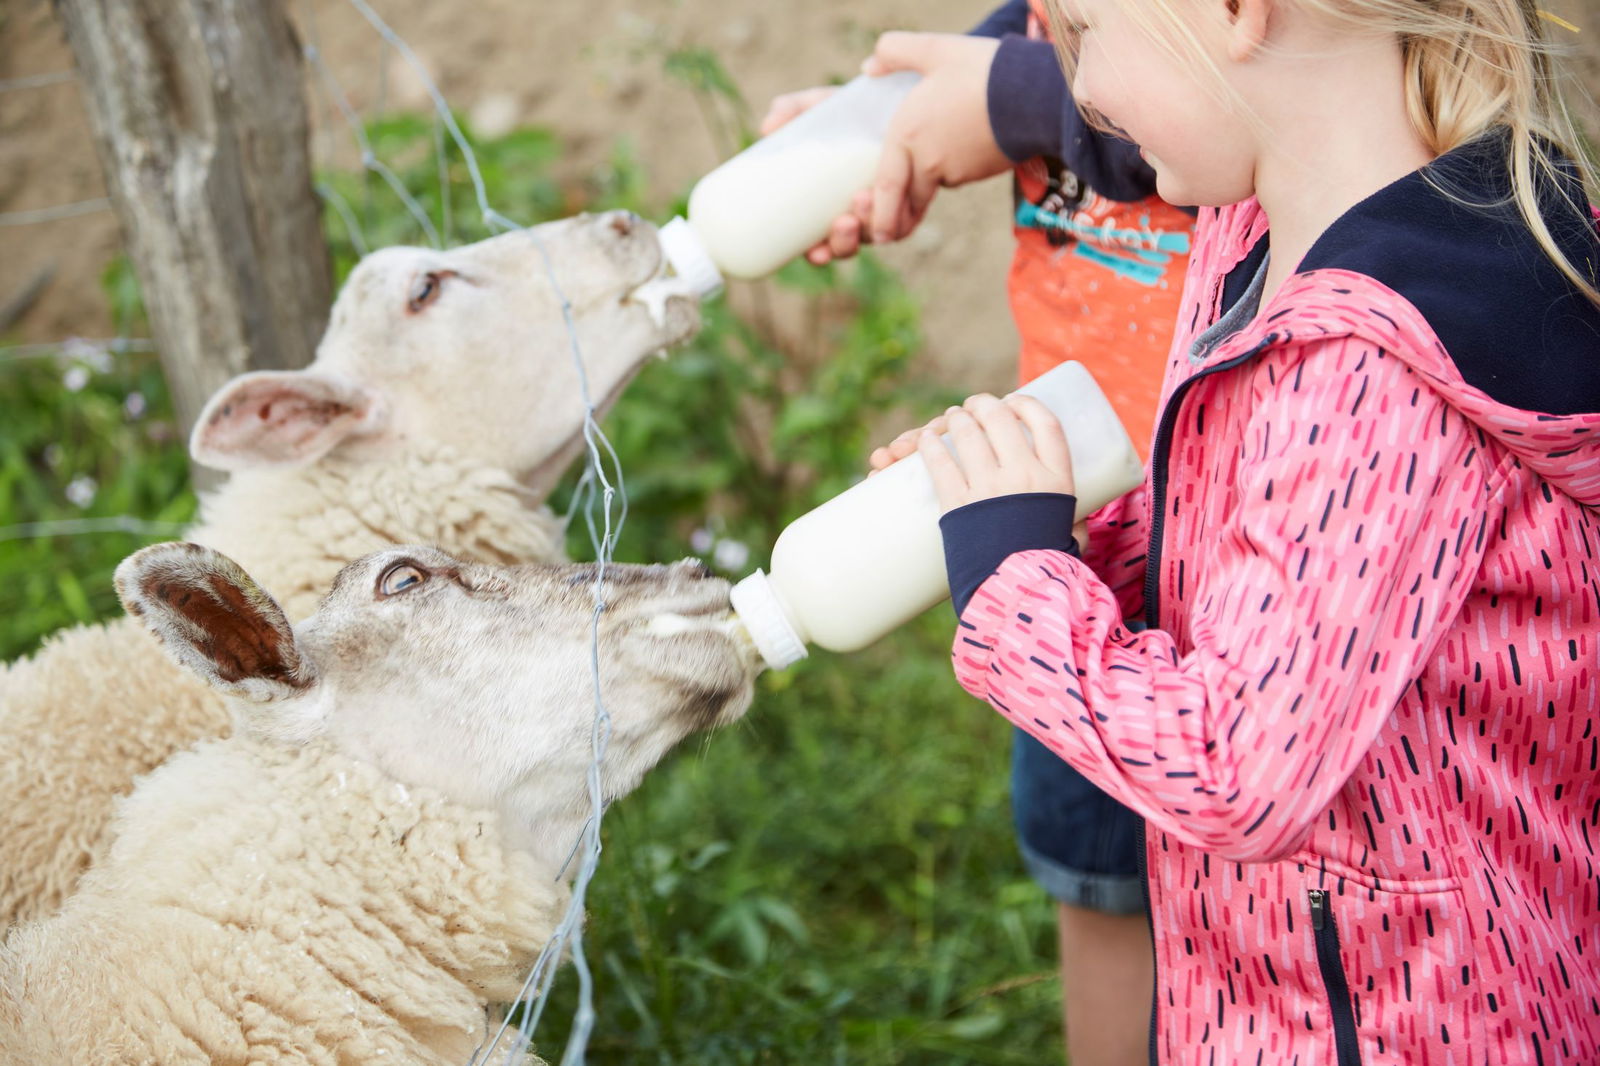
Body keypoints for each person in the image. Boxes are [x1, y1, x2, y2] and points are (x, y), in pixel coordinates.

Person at [872, 0, 1600, 1056]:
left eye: (1085, 28)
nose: (1080, 92)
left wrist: (1017, 585)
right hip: (1309, 987)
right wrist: (1054, 517)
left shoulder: (1372, 365)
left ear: (1234, 11)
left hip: (1404, 1018)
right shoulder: (1264, 233)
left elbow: (1231, 764)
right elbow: (1267, 563)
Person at [762, 8, 1193, 1063]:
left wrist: (1017, 98)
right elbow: (988, 66)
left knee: (1247, 871)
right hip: (1080, 507)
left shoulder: (1219, 44)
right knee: (1098, 877)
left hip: (1235, 511)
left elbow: (1243, 121)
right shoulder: (1040, 15)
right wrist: (882, 132)